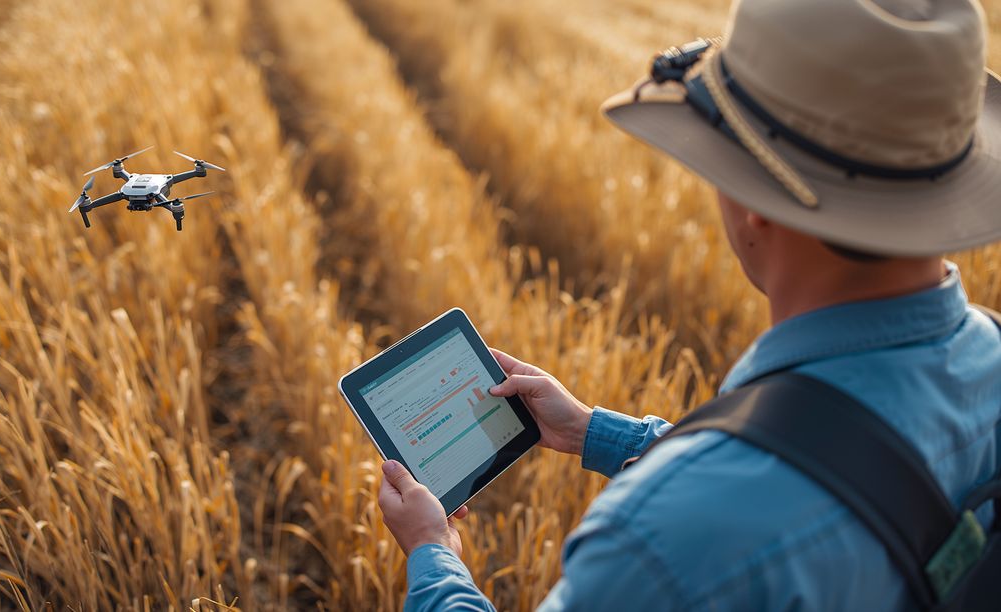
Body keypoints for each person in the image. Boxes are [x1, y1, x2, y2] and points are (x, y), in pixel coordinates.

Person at [376, 0, 1001, 608]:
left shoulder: (662, 543)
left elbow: (751, 506)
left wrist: (434, 554)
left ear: (755, 198)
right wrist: (592, 431)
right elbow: (837, 479)